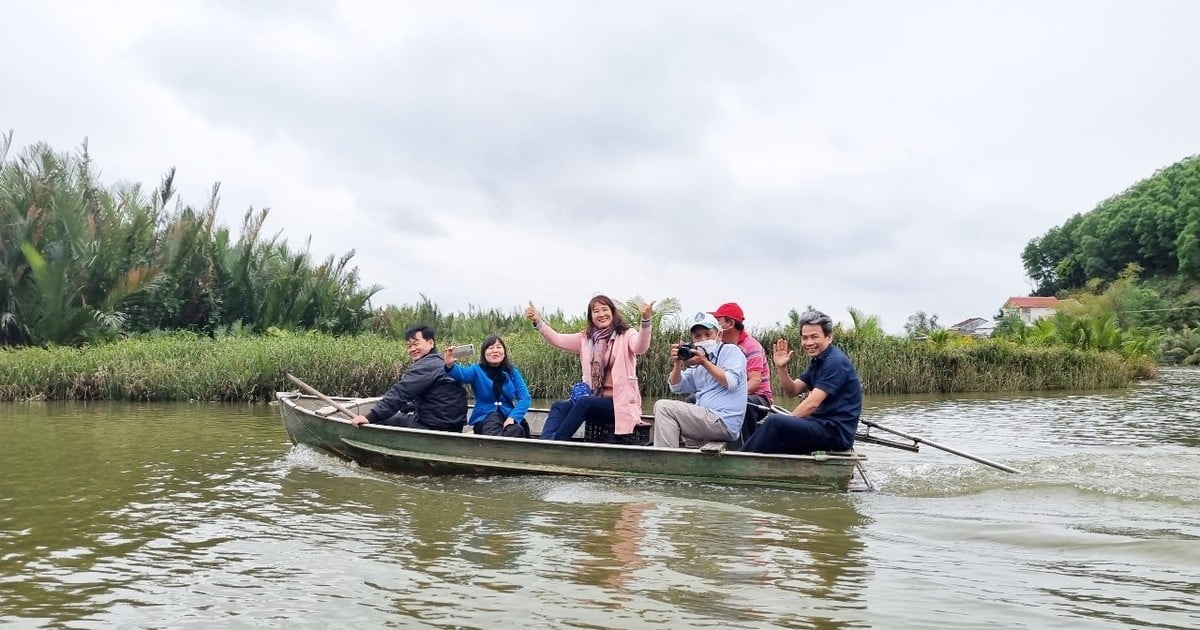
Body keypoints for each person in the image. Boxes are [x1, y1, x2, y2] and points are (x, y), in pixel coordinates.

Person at [525, 295, 655, 443]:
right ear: (591, 316)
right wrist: (537, 321)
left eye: (605, 309)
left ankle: (558, 443)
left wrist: (645, 320)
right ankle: (545, 443)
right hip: (594, 400)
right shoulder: (585, 339)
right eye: (596, 311)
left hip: (618, 405)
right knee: (559, 406)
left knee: (584, 402)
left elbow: (640, 347)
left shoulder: (626, 335)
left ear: (612, 312)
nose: (601, 314)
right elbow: (557, 339)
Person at [741, 310, 862, 455]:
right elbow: (792, 391)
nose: (809, 343)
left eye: (814, 337)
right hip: (820, 425)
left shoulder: (835, 362)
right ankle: (746, 457)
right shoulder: (818, 361)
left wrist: (787, 423)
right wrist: (782, 368)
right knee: (774, 425)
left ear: (829, 337)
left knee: (774, 423)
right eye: (805, 338)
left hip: (835, 432)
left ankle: (740, 460)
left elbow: (812, 404)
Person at [652, 312, 747, 448]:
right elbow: (677, 387)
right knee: (668, 416)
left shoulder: (730, 351)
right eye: (697, 336)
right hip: (706, 420)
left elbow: (731, 382)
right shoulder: (698, 359)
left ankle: (666, 461)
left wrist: (703, 362)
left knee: (663, 407)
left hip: (722, 420)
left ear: (719, 336)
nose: (703, 339)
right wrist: (678, 363)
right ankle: (672, 456)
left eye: (708, 335)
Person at [350, 325, 468, 431]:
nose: (412, 349)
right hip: (454, 426)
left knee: (381, 419)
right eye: (409, 346)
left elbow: (401, 392)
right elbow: (426, 397)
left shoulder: (427, 365)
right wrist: (404, 407)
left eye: (416, 344)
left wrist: (370, 417)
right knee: (395, 413)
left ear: (431, 343)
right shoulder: (441, 361)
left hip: (433, 426)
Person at [443, 335, 532, 438]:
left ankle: (500, 449)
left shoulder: (512, 372)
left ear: (504, 352)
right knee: (493, 421)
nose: (495, 351)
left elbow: (525, 398)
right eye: (490, 348)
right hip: (484, 419)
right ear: (484, 353)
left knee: (517, 429)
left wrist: (513, 417)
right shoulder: (476, 370)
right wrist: (450, 365)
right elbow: (462, 374)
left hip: (508, 417)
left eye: (499, 347)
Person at [710, 301, 774, 441]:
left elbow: (755, 382)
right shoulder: (719, 346)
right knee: (693, 400)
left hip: (758, 398)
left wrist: (727, 397)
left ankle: (745, 448)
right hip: (727, 395)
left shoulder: (751, 347)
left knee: (744, 404)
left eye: (718, 321)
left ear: (730, 324)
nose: (714, 324)